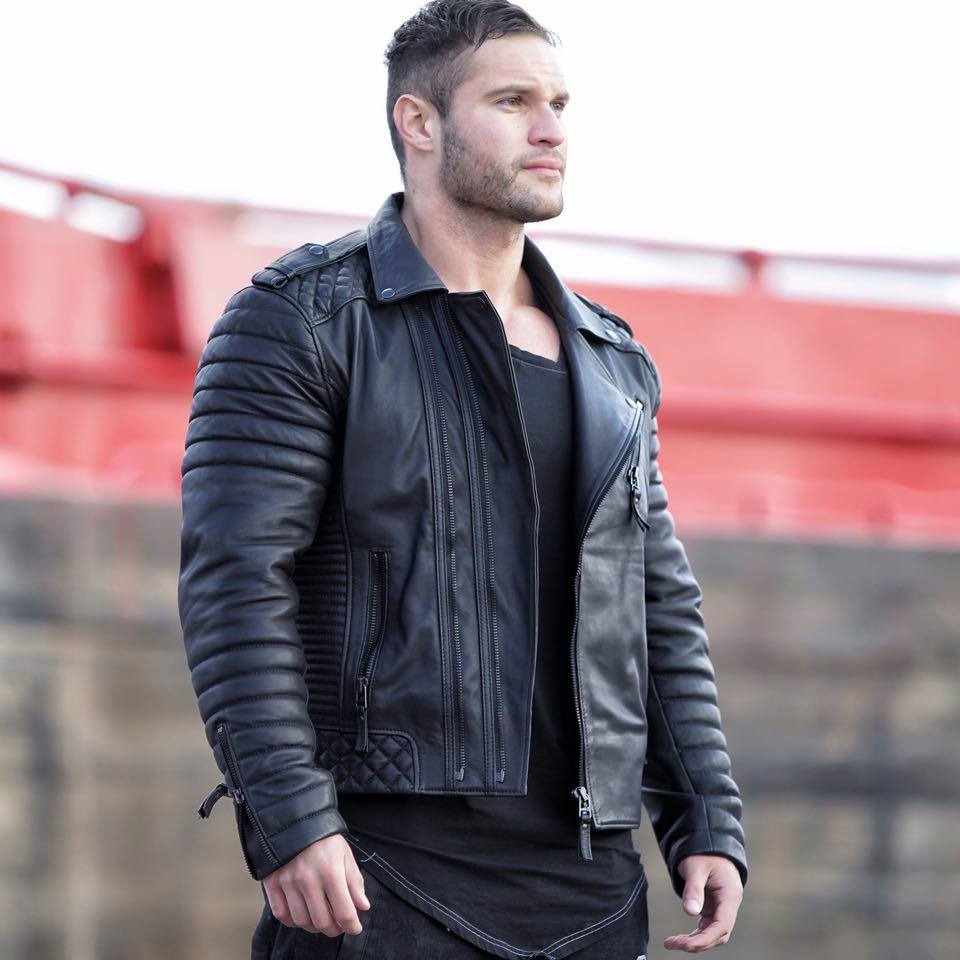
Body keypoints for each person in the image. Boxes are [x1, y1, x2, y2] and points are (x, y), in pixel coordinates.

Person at [179, 3, 748, 958]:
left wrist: (706, 816)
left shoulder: (612, 362)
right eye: (514, 101)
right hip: (381, 873)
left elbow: (655, 602)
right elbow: (235, 582)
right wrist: (289, 816)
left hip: (592, 885)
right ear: (419, 121)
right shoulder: (300, 322)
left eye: (560, 103)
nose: (551, 129)